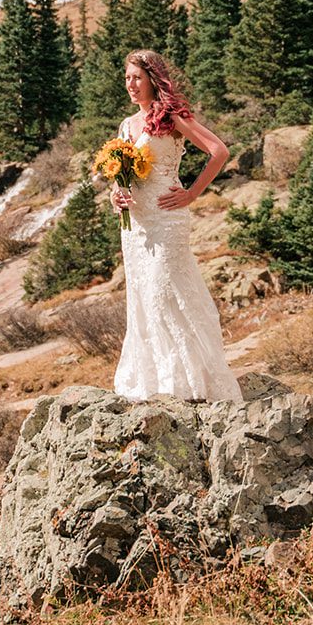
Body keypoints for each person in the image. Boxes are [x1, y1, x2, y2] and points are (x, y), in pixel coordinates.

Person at [109, 50, 243, 402]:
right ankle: (154, 382)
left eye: (137, 77)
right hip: (136, 227)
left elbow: (219, 151)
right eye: (127, 78)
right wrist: (116, 195)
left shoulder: (170, 117)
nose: (131, 84)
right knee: (141, 298)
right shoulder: (127, 126)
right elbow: (120, 178)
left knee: (163, 293)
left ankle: (188, 382)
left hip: (167, 218)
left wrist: (192, 193)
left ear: (153, 78)